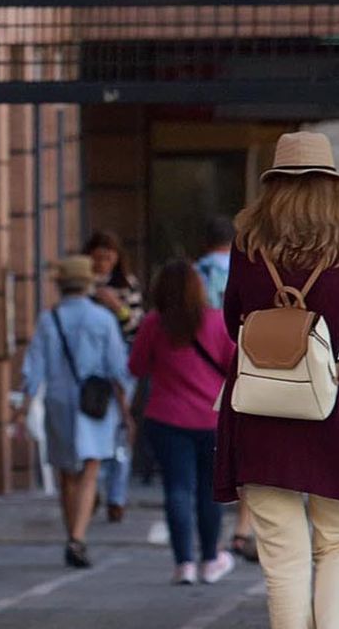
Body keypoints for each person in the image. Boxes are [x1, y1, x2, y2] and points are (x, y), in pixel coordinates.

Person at [213, 131, 339, 629]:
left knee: (283, 560)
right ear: (333, 185)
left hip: (260, 407)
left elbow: (233, 316)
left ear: (273, 186)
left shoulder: (247, 244)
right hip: (333, 407)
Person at [14, 256, 134, 570]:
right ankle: (77, 538)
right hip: (95, 402)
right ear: (90, 285)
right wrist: (126, 411)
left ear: (60, 286)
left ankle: (73, 534)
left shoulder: (48, 320)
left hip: (59, 401)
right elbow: (117, 368)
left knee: (66, 471)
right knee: (91, 467)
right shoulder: (103, 319)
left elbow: (33, 367)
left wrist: (23, 407)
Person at [129, 261, 236, 585]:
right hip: (212, 418)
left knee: (176, 488)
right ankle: (209, 560)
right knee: (208, 491)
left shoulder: (153, 324)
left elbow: (136, 367)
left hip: (166, 418)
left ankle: (183, 564)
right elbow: (234, 365)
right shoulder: (217, 323)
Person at [197, 216, 261, 565]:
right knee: (247, 452)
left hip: (202, 368)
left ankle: (215, 534)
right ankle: (242, 530)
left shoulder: (196, 273)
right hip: (243, 361)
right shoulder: (248, 269)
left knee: (215, 456)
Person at [84, 230, 142, 523]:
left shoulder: (126, 286)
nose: (103, 264)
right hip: (89, 368)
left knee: (120, 427)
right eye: (98, 258)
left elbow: (135, 325)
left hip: (121, 364)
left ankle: (116, 494)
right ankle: (91, 486)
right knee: (94, 427)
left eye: (108, 258)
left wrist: (116, 307)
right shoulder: (82, 288)